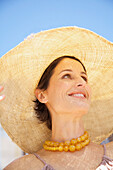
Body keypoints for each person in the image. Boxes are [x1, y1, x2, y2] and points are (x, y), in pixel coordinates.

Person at [0, 26, 113, 170]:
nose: (81, 82)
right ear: (42, 95)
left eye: (84, 77)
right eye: (67, 75)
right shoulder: (22, 167)